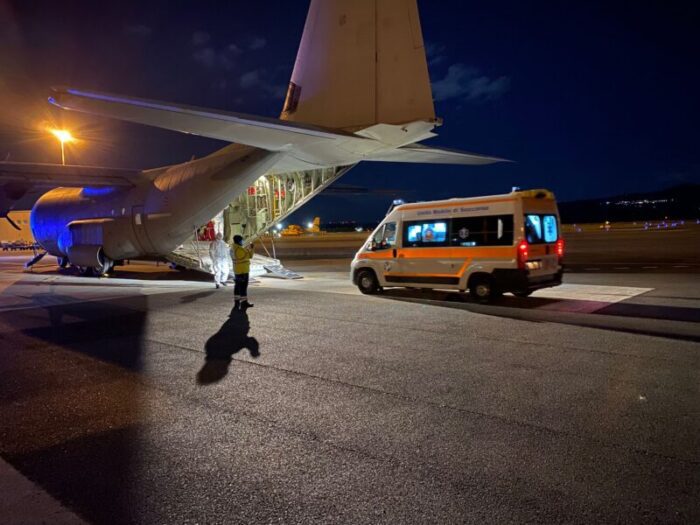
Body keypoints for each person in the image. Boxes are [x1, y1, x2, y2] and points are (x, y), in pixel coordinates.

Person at [232, 234, 254, 309]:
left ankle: (237, 302)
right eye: (241, 240)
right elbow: (249, 256)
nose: (242, 242)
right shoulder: (239, 249)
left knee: (237, 287)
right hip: (243, 271)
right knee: (243, 287)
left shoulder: (234, 248)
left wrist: (246, 249)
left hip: (237, 270)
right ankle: (244, 303)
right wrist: (251, 248)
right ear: (238, 241)